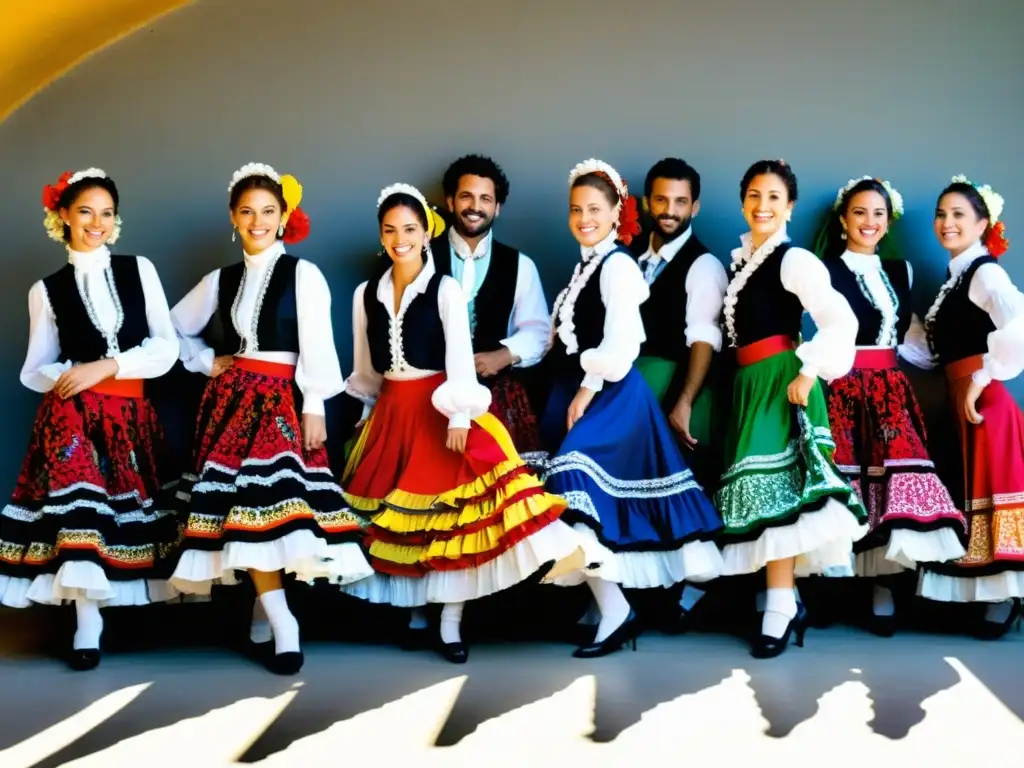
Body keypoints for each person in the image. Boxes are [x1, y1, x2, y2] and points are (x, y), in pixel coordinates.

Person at [338, 182, 585, 664]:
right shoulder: (366, 293)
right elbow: (365, 365)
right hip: (391, 413)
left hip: (439, 409)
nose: (399, 238)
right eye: (389, 230)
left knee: (451, 518)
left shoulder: (445, 288)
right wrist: (366, 412)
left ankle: (450, 622)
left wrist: (459, 412)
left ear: (426, 232)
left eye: (409, 228)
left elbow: (458, 358)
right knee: (400, 520)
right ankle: (414, 613)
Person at [169, 162, 372, 674]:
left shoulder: (304, 274)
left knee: (272, 509)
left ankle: (277, 623)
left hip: (284, 400)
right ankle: (274, 622)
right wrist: (204, 361)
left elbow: (319, 347)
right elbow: (169, 330)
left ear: (284, 216)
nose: (258, 221)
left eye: (268, 211)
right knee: (246, 513)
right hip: (232, 403)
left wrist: (313, 404)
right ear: (233, 218)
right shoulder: (222, 279)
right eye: (247, 212)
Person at [539, 159, 724, 658]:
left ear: (617, 211)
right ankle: (604, 604)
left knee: (574, 484)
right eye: (576, 209)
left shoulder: (617, 265)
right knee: (585, 500)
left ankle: (617, 610)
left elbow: (625, 339)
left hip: (612, 392)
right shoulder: (588, 267)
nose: (584, 218)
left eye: (595, 208)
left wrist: (586, 386)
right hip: (587, 388)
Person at [0, 168, 180, 670]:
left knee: (124, 515)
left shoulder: (138, 270)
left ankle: (116, 615)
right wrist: (72, 375)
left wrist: (107, 365)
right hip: (72, 414)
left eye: (105, 213)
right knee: (80, 509)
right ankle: (88, 625)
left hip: (128, 412)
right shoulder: (46, 289)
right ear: (63, 216)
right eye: (85, 212)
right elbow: (35, 368)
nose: (96, 223)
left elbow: (165, 349)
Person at [716, 159, 867, 658]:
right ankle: (783, 598)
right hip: (746, 385)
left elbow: (840, 321)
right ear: (743, 202)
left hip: (782, 381)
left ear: (790, 207)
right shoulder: (741, 262)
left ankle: (779, 607)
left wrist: (809, 371)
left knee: (778, 494)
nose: (763, 206)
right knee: (760, 493)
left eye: (774, 197)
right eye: (755, 196)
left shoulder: (792, 259)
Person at [811, 176, 966, 636]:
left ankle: (882, 588)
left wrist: (961, 363)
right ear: (843, 220)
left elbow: (909, 337)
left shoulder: (900, 271)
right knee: (843, 484)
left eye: (878, 214)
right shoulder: (824, 270)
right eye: (860, 213)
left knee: (891, 488)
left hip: (889, 389)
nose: (869, 222)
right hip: (840, 385)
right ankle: (829, 585)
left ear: (887, 220)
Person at [900, 174, 1024, 638]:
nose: (947, 223)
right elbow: (931, 354)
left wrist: (983, 377)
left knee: (994, 494)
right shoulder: (955, 280)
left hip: (984, 402)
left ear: (981, 223)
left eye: (958, 215)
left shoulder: (985, 271)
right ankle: (981, 597)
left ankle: (1006, 597)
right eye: (941, 214)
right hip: (958, 399)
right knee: (966, 494)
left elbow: (1020, 324)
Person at [629, 157, 729, 631]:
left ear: (696, 206)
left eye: (680, 202)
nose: (669, 210)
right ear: (647, 202)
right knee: (637, 487)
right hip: (632, 389)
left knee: (685, 487)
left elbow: (704, 338)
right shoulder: (630, 254)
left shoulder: (703, 264)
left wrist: (684, 400)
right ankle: (640, 591)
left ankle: (694, 590)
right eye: (662, 200)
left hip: (678, 387)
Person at [432, 155, 549, 462]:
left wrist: (504, 355)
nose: (475, 206)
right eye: (466, 196)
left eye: (485, 198)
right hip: (432, 388)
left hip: (495, 391)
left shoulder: (521, 265)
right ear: (450, 201)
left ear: (497, 207)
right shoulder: (422, 257)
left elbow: (538, 330)